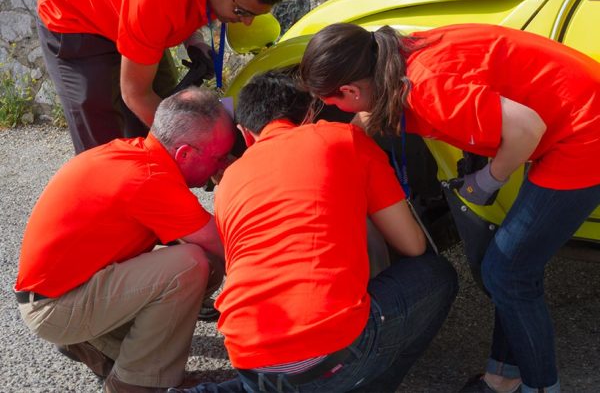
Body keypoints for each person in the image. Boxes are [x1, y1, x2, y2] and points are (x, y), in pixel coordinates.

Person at [298, 22, 600, 393]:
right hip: (574, 103)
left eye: (334, 104)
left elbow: (525, 128)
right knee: (512, 266)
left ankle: (540, 387)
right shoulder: (394, 55)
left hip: (584, 132)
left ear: (350, 89)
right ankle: (503, 375)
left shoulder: (426, 88)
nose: (337, 110)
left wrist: (489, 179)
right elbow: (368, 115)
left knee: (508, 273)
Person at [172, 70, 458, 393]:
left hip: (247, 354)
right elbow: (413, 245)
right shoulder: (344, 139)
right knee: (438, 275)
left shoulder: (228, 184)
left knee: (277, 379)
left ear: (245, 133)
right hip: (332, 355)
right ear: (309, 113)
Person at [14, 87, 236, 392]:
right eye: (221, 157)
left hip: (61, 291)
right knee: (191, 264)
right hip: (54, 309)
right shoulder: (149, 179)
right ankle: (135, 383)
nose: (222, 166)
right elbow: (228, 247)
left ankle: (98, 344)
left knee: (194, 257)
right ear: (185, 153)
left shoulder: (135, 153)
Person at [37, 0, 288, 154]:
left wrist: (194, 39)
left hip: (132, 7)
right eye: (241, 11)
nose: (245, 23)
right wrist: (204, 153)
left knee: (168, 107)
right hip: (75, 19)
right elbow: (135, 93)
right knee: (106, 144)